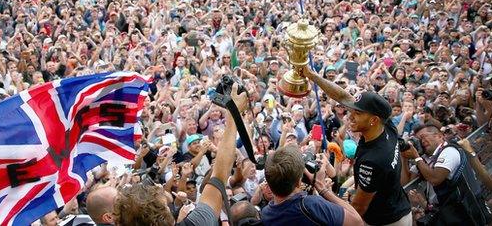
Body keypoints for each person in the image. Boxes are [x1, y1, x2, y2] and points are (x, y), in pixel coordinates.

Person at [112, 84, 247, 226]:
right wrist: (233, 115)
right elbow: (220, 175)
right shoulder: (195, 223)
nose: (160, 188)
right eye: (161, 201)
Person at [303, 67, 412, 225]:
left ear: (373, 120)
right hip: (396, 207)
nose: (350, 117)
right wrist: (313, 76)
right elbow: (342, 96)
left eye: (358, 114)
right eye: (351, 111)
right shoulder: (386, 124)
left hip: (385, 221)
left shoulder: (374, 160)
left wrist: (323, 191)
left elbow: (357, 210)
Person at [400, 124, 491, 225]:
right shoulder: (425, 159)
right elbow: (406, 183)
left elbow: (435, 178)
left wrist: (417, 157)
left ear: (439, 136)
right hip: (445, 211)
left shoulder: (449, 150)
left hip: (464, 210)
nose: (421, 142)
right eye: (417, 140)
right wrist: (403, 158)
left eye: (423, 137)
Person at [261, 145, 362, 225]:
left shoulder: (265, 214)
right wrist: (322, 188)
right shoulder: (311, 205)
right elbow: (357, 222)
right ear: (298, 183)